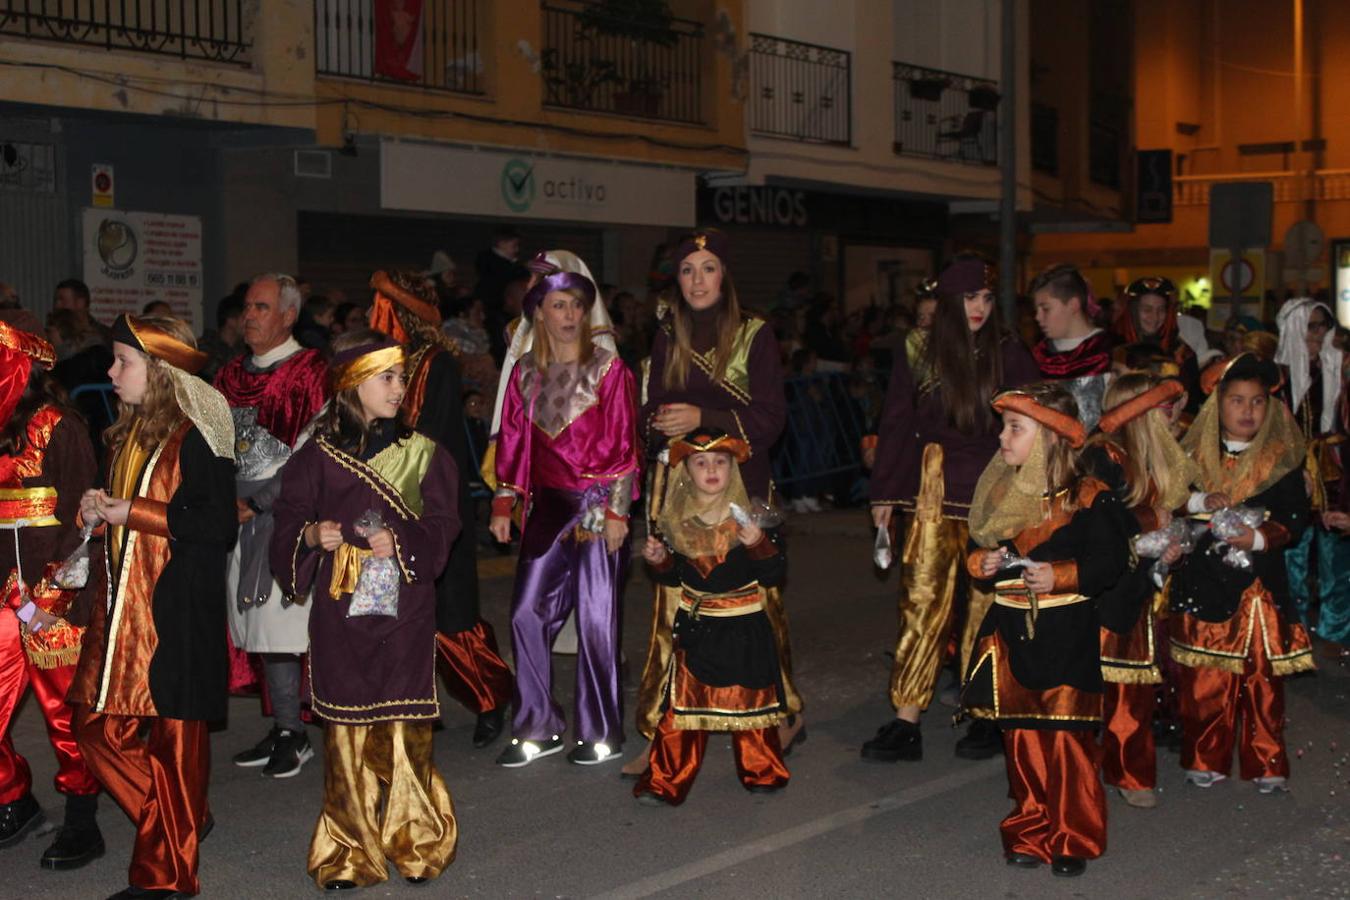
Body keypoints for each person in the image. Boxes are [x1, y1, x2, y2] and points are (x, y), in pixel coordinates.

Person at [269, 330, 459, 890]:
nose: (400, 388)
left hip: (404, 604)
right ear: (353, 385)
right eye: (388, 377)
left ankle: (416, 839)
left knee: (403, 726)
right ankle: (349, 850)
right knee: (347, 731)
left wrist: (400, 539)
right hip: (340, 607)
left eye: (402, 377)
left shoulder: (425, 453)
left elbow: (445, 526)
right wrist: (310, 534)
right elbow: (286, 520)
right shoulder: (315, 458)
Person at [69, 314, 236, 899]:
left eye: (124, 361)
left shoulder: (200, 434)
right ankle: (178, 817)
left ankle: (164, 877)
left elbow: (216, 525)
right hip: (123, 615)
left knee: (174, 747)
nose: (111, 372)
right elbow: (123, 511)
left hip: (177, 612)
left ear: (160, 370)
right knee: (92, 728)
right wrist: (95, 509)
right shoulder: (126, 431)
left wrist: (133, 512)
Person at [632, 229, 797, 777]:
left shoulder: (755, 333)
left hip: (743, 483)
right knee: (673, 606)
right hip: (681, 484)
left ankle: (779, 712)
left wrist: (707, 419)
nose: (697, 280)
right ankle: (663, 725)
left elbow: (772, 419)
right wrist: (657, 424)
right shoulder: (667, 333)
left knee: (759, 602)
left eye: (707, 268)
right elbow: (652, 409)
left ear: (723, 275)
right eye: (687, 270)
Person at [862, 256, 1038, 764]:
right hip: (933, 492)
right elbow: (896, 423)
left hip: (995, 491)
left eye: (985, 298)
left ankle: (985, 713)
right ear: (947, 302)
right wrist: (884, 497)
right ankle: (906, 718)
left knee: (987, 606)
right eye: (967, 298)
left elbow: (1037, 421)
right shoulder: (918, 348)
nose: (978, 308)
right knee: (921, 601)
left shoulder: (1010, 352)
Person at [962, 384, 1133, 877]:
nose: (1002, 438)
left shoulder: (1088, 498)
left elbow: (1111, 561)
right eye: (1003, 426)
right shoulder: (1002, 494)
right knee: (1021, 739)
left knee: (1065, 740)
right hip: (1012, 634)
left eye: (1015, 428)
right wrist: (983, 562)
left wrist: (1062, 574)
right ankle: (1029, 828)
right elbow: (971, 555)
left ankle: (1073, 835)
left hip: (1066, 632)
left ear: (1053, 438)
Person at [489, 268, 639, 768]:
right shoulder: (525, 373)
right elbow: (512, 442)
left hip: (597, 506)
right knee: (525, 613)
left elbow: (624, 447)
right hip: (548, 507)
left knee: (597, 620)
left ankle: (599, 731)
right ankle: (538, 725)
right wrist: (504, 500)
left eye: (577, 305)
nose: (570, 315)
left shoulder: (609, 370)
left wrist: (618, 510)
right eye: (559, 305)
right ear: (539, 313)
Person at [367, 270, 512, 748]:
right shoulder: (380, 363)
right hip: (384, 498)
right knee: (391, 613)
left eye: (383, 308)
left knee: (450, 613)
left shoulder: (437, 366)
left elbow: (428, 439)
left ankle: (491, 697)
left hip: (430, 505)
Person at [1170, 353, 1315, 792]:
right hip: (1206, 583)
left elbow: (1294, 516)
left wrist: (1256, 538)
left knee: (1263, 681)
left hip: (1259, 591)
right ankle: (1204, 755)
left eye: (1256, 402)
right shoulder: (1195, 453)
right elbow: (1171, 497)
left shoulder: (1280, 459)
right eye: (1237, 401)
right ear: (1218, 405)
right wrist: (1198, 504)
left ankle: (1266, 760)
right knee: (1207, 680)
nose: (1248, 411)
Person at [634, 429, 790, 806]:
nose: (711, 469)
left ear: (732, 468)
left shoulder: (751, 518)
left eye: (720, 461)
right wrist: (660, 561)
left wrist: (757, 544)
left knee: (750, 705)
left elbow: (773, 575)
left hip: (744, 625)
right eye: (701, 462)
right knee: (681, 712)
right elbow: (675, 577)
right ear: (686, 471)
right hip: (698, 629)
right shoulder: (674, 521)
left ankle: (762, 770)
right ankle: (665, 780)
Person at [214, 273, 328, 778]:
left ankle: (294, 732)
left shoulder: (310, 371)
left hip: (283, 512)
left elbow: (312, 452)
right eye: (247, 306)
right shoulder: (229, 375)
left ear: (288, 315)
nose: (250, 315)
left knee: (280, 625)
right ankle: (284, 725)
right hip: (234, 509)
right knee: (254, 627)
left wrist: (260, 502)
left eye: (261, 307)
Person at [0, 322, 103, 869]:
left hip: (54, 600)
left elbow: (82, 524)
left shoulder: (63, 427)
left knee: (66, 718)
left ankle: (82, 822)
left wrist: (51, 598)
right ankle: (14, 799)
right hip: (6, 597)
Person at [1081, 374, 1197, 808]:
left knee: (1131, 690)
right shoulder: (1102, 455)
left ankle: (1129, 772)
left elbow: (1178, 512)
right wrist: (1152, 521)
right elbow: (1100, 522)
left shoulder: (1157, 455)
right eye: (1163, 407)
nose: (1173, 415)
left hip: (1138, 590)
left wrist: (1171, 549)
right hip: (1101, 591)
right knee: (1093, 686)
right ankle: (1083, 769)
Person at [1274, 298, 1348, 646]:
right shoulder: (1278, 379)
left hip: (1333, 472)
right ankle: (1295, 630)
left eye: (1322, 325)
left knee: (1336, 554)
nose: (1318, 334)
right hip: (1291, 474)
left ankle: (1336, 629)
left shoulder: (1337, 370)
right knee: (1294, 556)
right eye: (1311, 326)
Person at [1029, 265, 1115, 429]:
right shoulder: (1037, 356)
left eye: (1045, 309)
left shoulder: (1110, 353)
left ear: (1073, 305)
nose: (1037, 317)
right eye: (1036, 309)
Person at [1113, 277, 1201, 410]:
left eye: (1161, 310)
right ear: (1133, 311)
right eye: (1147, 310)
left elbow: (1191, 405)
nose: (1155, 317)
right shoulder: (1113, 350)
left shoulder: (1182, 354)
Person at [197, 292, 246, 382]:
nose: (248, 322)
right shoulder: (205, 347)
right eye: (243, 318)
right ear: (231, 320)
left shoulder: (245, 349)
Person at [53, 279, 111, 347]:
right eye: (55, 300)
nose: (57, 305)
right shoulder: (54, 332)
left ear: (80, 302)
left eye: (62, 300)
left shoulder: (104, 336)